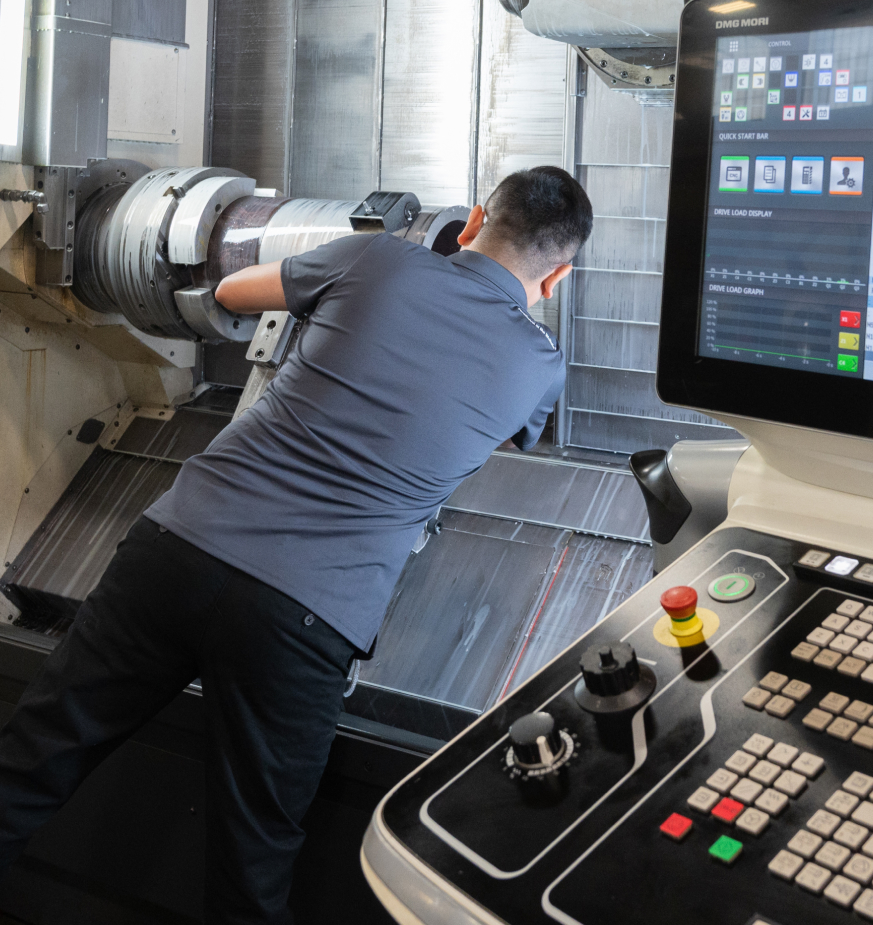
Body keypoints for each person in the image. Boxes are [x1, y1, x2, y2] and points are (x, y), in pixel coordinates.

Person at [0, 166, 593, 923]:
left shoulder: (375, 259)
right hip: (307, 614)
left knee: (31, 762)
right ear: (561, 273)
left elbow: (228, 293)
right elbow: (504, 431)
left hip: (178, 546)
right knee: (253, 864)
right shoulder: (540, 365)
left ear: (474, 218)